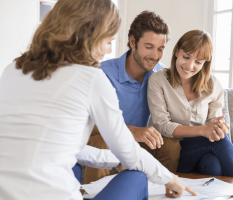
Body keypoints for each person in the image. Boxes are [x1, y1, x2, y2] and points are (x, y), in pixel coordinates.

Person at [0, 0, 197, 199]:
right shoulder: (91, 78)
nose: (108, 50)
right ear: (89, 36)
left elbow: (64, 148)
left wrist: (113, 160)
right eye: (108, 41)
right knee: (137, 176)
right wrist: (170, 179)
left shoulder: (13, 69)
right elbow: (127, 149)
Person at [147, 30, 233, 200]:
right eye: (186, 57)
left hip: (203, 152)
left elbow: (214, 123)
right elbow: (162, 125)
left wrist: (218, 128)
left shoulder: (213, 85)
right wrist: (204, 131)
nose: (190, 66)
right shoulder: (158, 80)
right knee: (217, 143)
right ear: (177, 51)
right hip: (172, 153)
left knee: (212, 164)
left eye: (198, 62)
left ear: (205, 63)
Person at [82, 10, 182, 185]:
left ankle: (160, 192)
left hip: (138, 143)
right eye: (149, 47)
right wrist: (132, 131)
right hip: (107, 141)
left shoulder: (159, 74)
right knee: (100, 142)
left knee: (171, 146)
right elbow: (86, 125)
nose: (155, 56)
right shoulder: (102, 73)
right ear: (133, 42)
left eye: (160, 49)